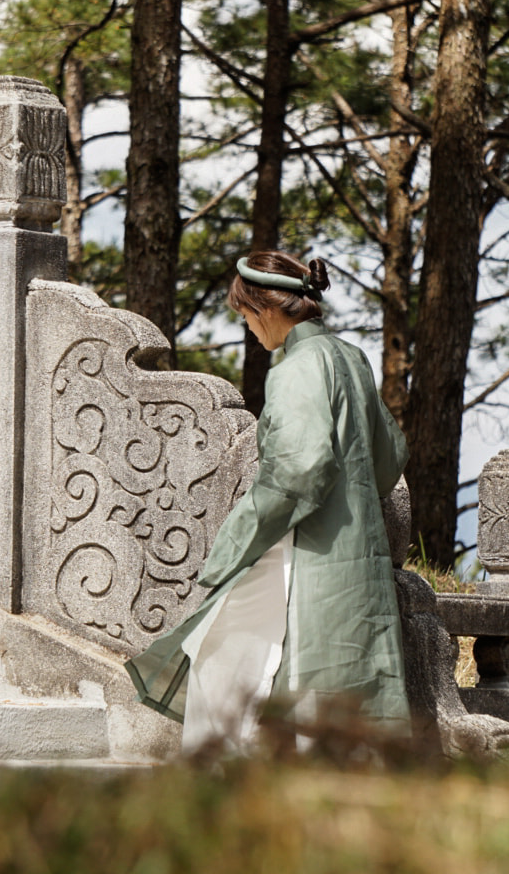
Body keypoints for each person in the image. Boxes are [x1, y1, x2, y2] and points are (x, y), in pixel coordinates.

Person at [125, 251, 412, 753]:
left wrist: (235, 539)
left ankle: (229, 791)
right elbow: (391, 460)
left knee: (221, 660)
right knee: (341, 695)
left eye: (245, 315)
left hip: (301, 552)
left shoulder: (295, 369)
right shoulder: (352, 358)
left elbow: (298, 470)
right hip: (357, 559)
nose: (249, 328)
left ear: (266, 308)